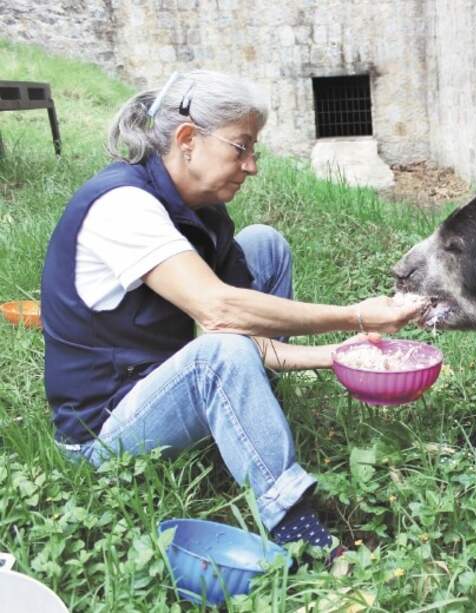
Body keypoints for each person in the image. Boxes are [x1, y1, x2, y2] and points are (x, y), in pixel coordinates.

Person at [40, 70, 424, 557]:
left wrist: (341, 355)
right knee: (219, 352)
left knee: (265, 245)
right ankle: (294, 526)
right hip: (105, 433)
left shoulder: (202, 209)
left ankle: (251, 413)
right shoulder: (122, 205)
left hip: (163, 381)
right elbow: (220, 313)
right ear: (187, 140)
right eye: (241, 147)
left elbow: (244, 338)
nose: (252, 166)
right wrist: (357, 317)